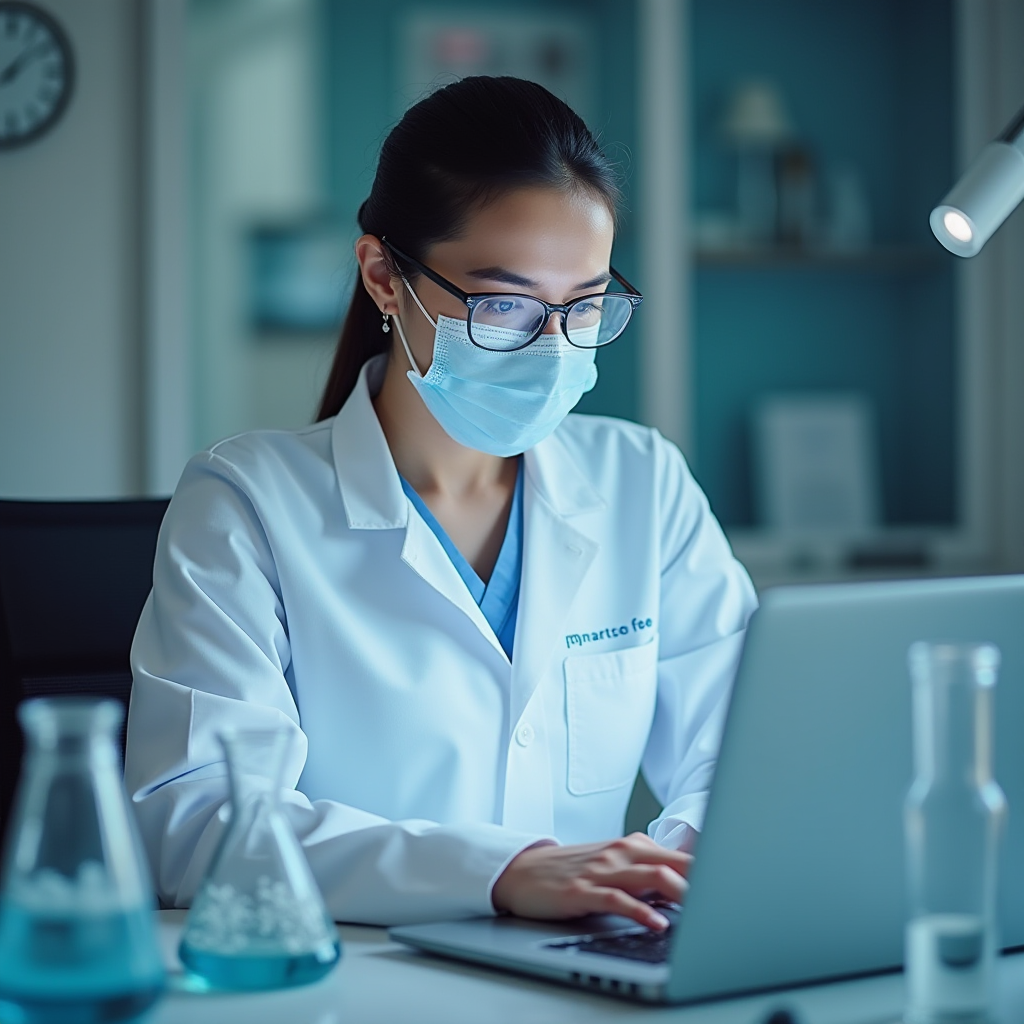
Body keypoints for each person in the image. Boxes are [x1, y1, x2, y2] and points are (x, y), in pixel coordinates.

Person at [125, 76, 757, 934]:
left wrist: (681, 861)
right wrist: (502, 873)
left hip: (590, 972)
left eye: (585, 306)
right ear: (386, 276)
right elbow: (195, 824)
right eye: (504, 305)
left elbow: (751, 753)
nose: (553, 347)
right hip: (358, 986)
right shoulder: (245, 503)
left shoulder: (643, 481)